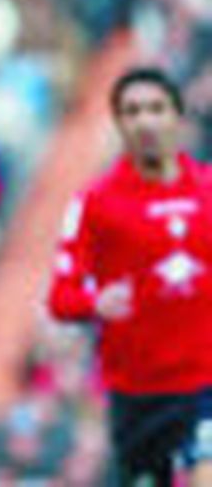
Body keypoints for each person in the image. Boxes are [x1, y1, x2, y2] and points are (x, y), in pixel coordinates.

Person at [47, 67, 212, 486]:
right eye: (132, 111)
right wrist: (94, 302)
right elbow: (60, 298)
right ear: (120, 123)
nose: (145, 121)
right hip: (137, 395)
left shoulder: (208, 191)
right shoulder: (96, 204)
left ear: (177, 117)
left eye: (156, 109)